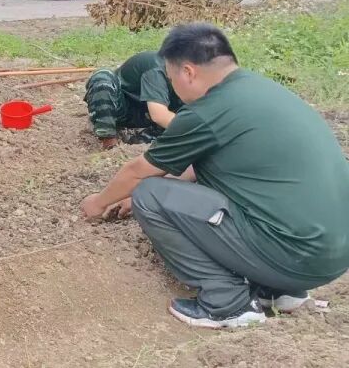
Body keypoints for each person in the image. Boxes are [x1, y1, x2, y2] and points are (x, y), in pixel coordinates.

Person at [80, 23, 349, 329]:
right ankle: (278, 292)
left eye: (171, 78)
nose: (173, 87)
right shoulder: (261, 90)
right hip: (332, 253)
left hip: (294, 254)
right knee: (166, 192)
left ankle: (227, 302)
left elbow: (137, 172)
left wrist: (99, 202)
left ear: (188, 72)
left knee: (149, 195)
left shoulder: (206, 112)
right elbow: (207, 167)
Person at [84, 50, 184, 149]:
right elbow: (159, 115)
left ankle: (141, 138)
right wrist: (193, 129)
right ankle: (108, 138)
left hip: (151, 119)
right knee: (102, 77)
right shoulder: (156, 65)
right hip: (122, 110)